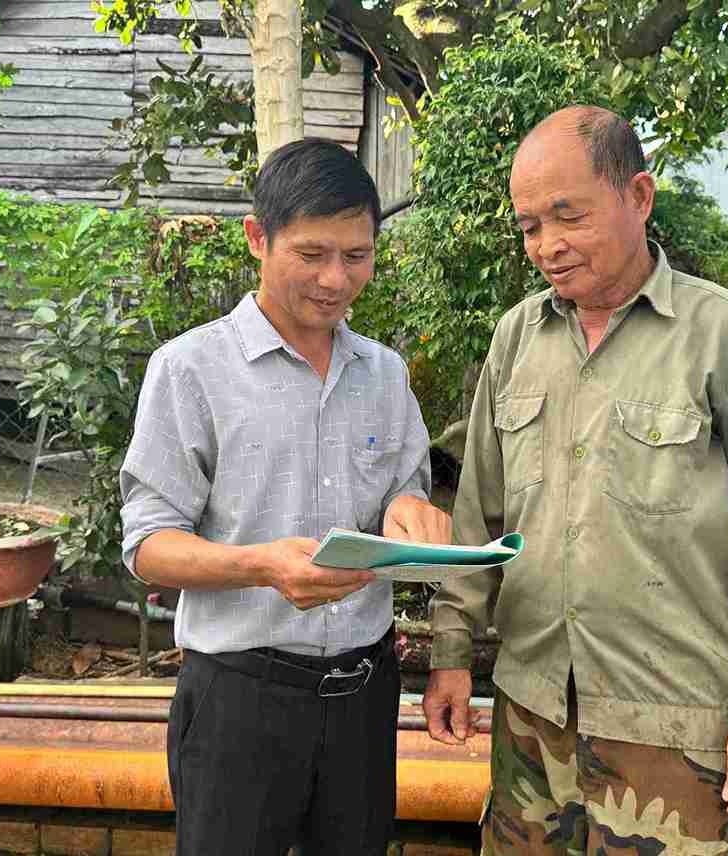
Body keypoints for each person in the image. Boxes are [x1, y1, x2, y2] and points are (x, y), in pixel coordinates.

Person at [422, 106, 728, 855]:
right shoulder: (517, 338)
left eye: (567, 216)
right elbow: (477, 517)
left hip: (674, 729)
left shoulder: (727, 339)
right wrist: (450, 649)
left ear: (639, 196)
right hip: (531, 721)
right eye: (528, 227)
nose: (547, 245)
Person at [121, 138, 452, 856]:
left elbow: (403, 486)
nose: (336, 279)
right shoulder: (190, 370)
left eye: (357, 256)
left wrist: (408, 513)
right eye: (312, 254)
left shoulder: (383, 375)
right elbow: (149, 546)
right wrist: (264, 565)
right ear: (257, 238)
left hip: (364, 696)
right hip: (240, 699)